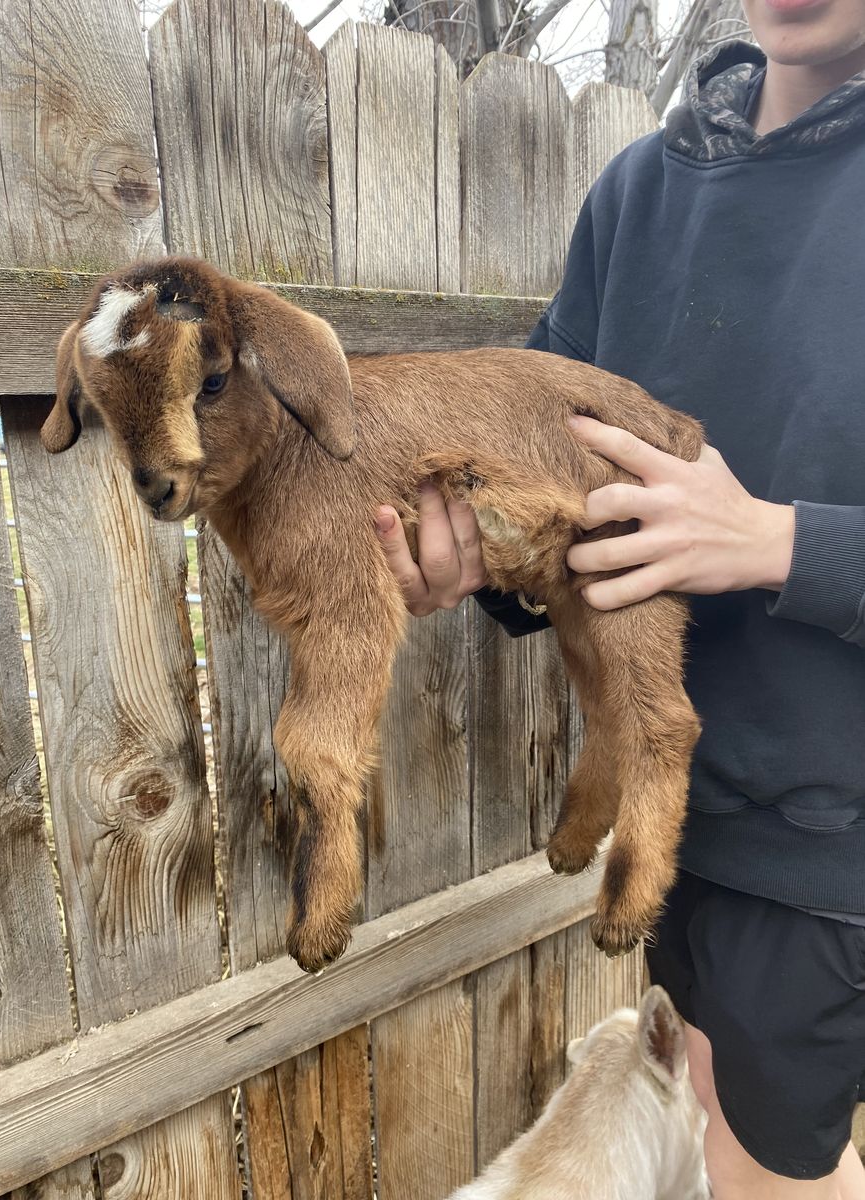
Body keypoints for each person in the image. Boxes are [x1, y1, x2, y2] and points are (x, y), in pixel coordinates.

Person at [374, 2, 865, 1196]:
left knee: (761, 1172)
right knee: (729, 1125)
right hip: (696, 815)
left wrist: (773, 541)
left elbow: (743, 536)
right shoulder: (641, 190)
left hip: (830, 835)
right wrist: (475, 559)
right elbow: (554, 488)